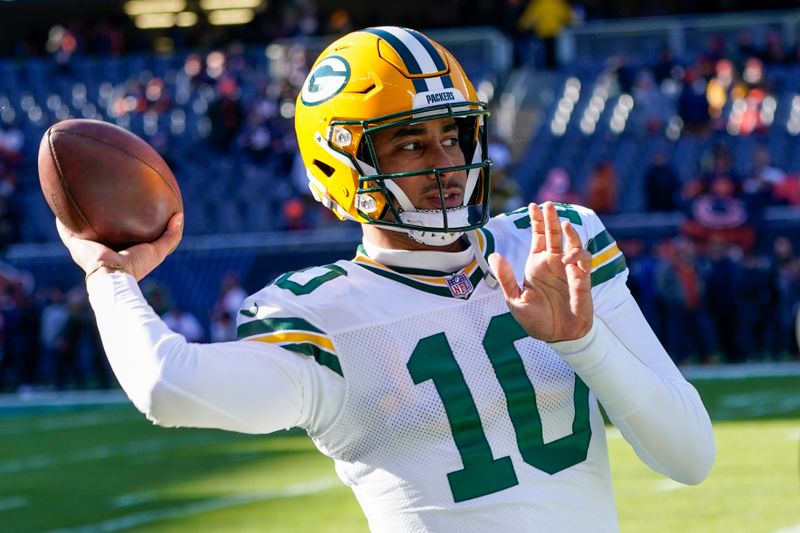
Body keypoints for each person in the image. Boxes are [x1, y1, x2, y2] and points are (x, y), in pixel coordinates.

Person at [56, 27, 714, 532]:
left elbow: (689, 456)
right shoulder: (323, 314)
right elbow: (167, 386)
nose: (447, 163)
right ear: (342, 167)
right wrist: (109, 273)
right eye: (410, 143)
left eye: (452, 136)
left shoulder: (551, 243)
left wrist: (584, 343)